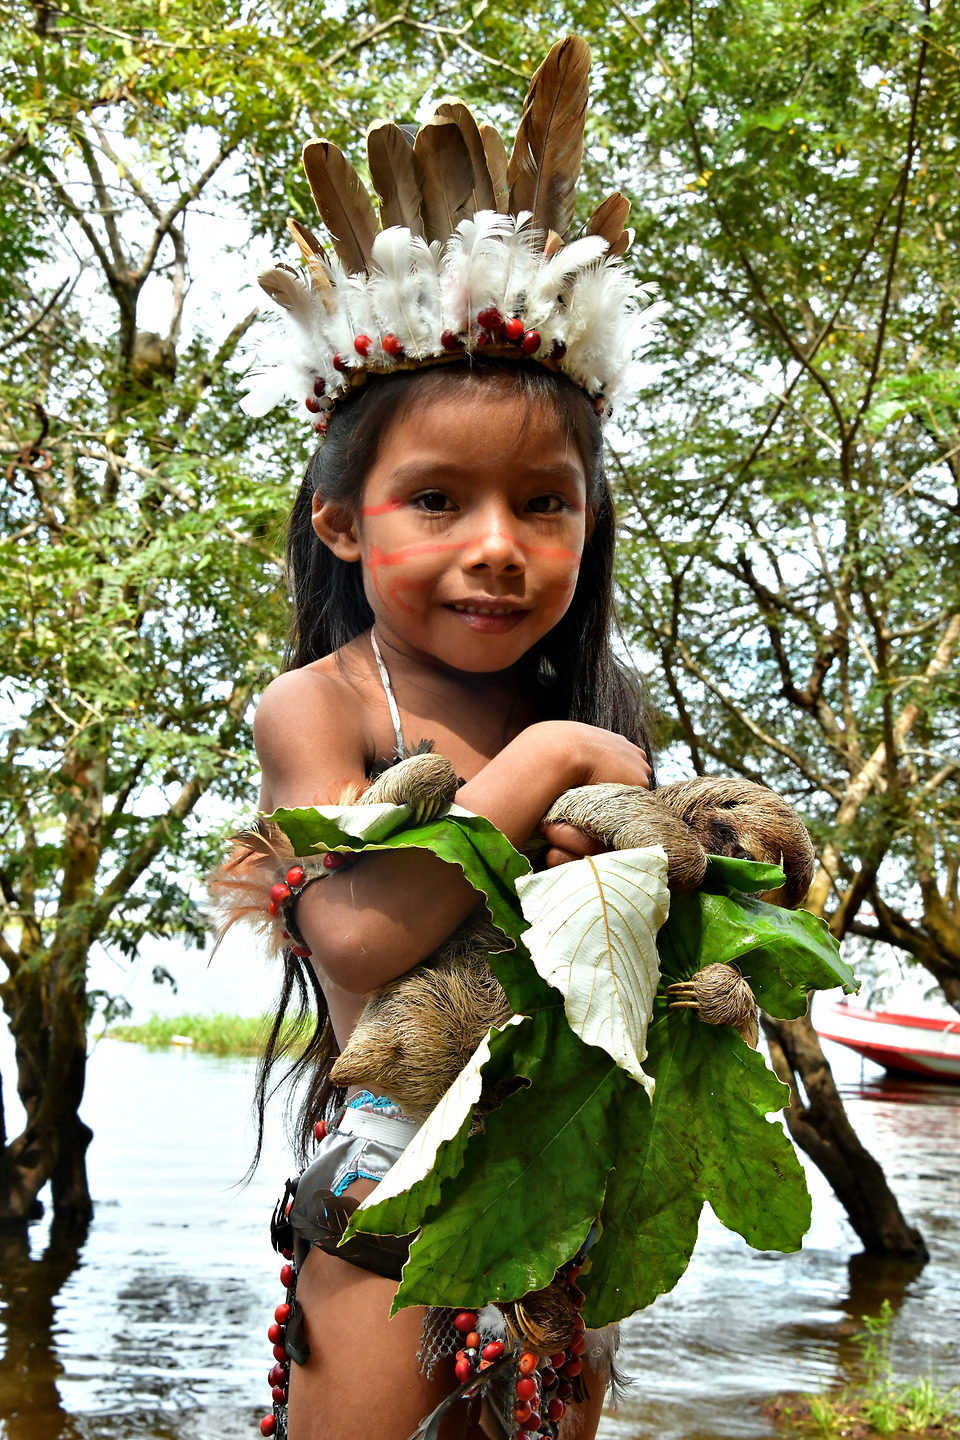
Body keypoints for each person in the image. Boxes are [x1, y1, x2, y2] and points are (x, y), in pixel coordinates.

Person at [224, 35, 667, 1440]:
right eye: (437, 502)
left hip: (562, 1188)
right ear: (342, 524)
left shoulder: (607, 710)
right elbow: (354, 939)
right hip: (388, 1203)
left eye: (544, 503)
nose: (497, 547)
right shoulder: (325, 706)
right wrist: (541, 772)